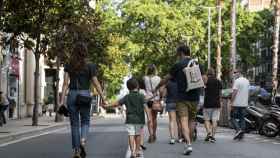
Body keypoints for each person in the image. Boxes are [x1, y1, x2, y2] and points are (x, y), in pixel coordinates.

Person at [154, 44, 205, 155]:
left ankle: (188, 144)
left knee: (183, 121)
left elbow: (166, 78)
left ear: (181, 53)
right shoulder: (198, 64)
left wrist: (157, 87)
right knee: (192, 121)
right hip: (195, 97)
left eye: (178, 53)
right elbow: (204, 80)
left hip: (182, 98)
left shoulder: (178, 65)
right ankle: (189, 142)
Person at [60, 42, 107, 158]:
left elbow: (65, 84)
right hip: (85, 95)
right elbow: (96, 83)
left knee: (74, 124)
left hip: (72, 94)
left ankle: (76, 151)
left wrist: (61, 101)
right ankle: (83, 140)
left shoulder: (68, 65)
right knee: (85, 121)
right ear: (85, 52)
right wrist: (103, 98)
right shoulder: (90, 66)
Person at [106, 78, 145, 158]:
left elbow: (117, 103)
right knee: (138, 135)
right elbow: (146, 107)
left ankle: (132, 152)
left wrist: (107, 106)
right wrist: (149, 117)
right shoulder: (141, 96)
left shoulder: (127, 97)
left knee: (131, 135)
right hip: (139, 119)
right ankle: (137, 151)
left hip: (130, 119)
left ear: (128, 87)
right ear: (137, 86)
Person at [203, 68, 222, 143]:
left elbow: (203, 91)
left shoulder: (206, 81)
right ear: (214, 73)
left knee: (207, 119)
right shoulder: (218, 81)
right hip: (216, 103)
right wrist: (220, 101)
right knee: (215, 120)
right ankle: (213, 136)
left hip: (207, 103)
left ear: (207, 73)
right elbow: (220, 93)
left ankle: (209, 133)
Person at [143, 64, 161, 143]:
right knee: (154, 119)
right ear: (155, 70)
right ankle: (154, 134)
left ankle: (151, 135)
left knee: (149, 119)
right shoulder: (158, 78)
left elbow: (143, 88)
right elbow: (160, 89)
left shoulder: (144, 78)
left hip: (148, 100)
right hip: (156, 100)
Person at [230, 69, 250, 141]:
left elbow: (234, 92)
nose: (234, 74)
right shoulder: (247, 81)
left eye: (235, 73)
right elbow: (248, 92)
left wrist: (231, 102)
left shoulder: (237, 81)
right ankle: (241, 134)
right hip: (244, 103)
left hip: (236, 103)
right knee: (242, 118)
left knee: (232, 118)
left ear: (239, 73)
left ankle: (238, 130)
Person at [163, 78, 178, 144]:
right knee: (180, 121)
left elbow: (164, 94)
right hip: (179, 102)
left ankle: (172, 138)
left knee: (171, 120)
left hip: (170, 102)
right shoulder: (180, 82)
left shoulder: (168, 83)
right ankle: (181, 137)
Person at [138, 79, 149, 150]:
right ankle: (141, 144)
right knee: (141, 129)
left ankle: (137, 144)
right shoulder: (143, 91)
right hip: (141, 112)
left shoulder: (132, 92)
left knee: (134, 130)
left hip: (133, 113)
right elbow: (145, 101)